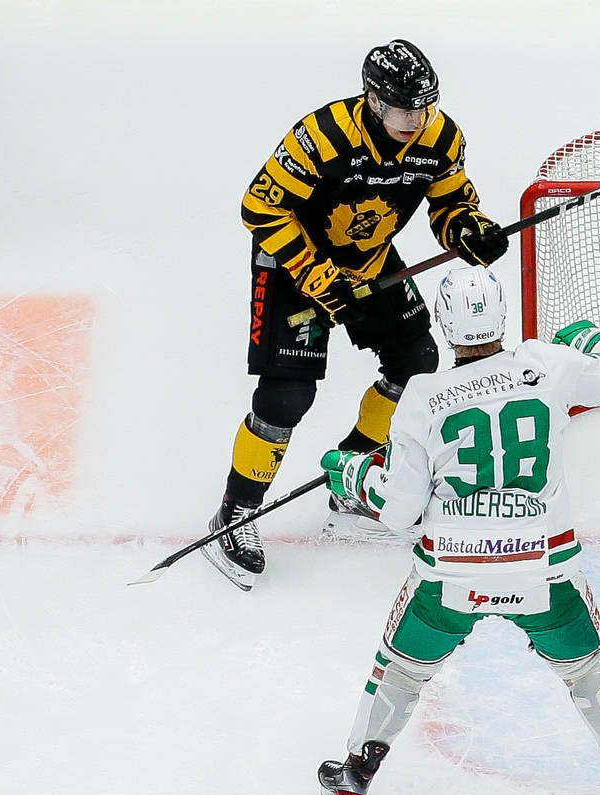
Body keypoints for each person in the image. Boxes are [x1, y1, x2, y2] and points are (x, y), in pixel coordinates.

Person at [313, 266, 600, 795]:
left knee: (398, 671)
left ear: (445, 324)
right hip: (543, 566)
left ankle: (357, 773)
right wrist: (590, 342)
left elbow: (398, 514)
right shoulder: (548, 363)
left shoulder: (423, 395)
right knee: (587, 668)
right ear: (501, 315)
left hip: (451, 572)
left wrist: (356, 476)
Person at [204, 39, 511, 588]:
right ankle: (236, 510)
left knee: (416, 361)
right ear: (373, 99)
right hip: (294, 264)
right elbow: (260, 206)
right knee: (286, 396)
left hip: (370, 260)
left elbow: (449, 202)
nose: (413, 121)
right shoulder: (324, 136)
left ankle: (351, 479)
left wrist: (465, 228)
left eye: (423, 107)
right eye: (400, 109)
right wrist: (318, 276)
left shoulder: (441, 137)